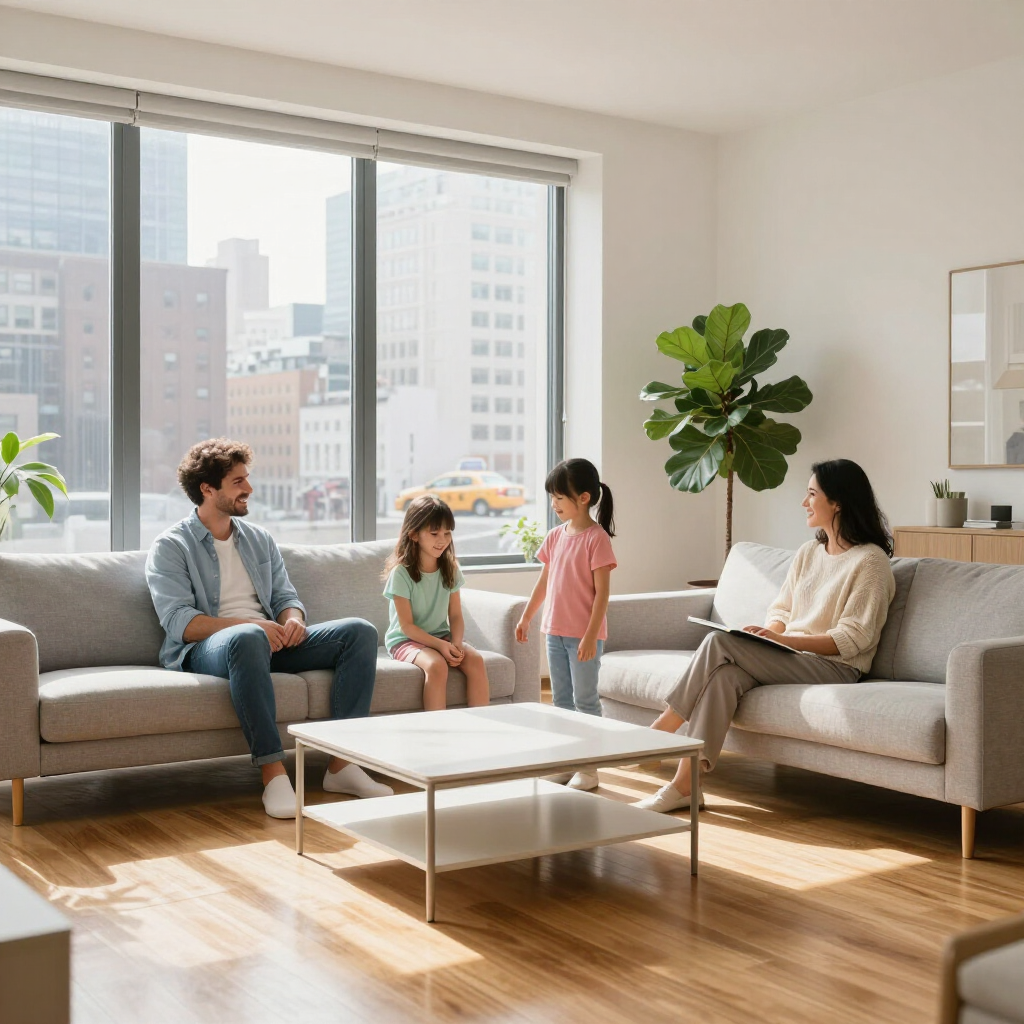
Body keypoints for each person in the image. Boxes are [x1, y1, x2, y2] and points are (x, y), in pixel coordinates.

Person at [146, 438, 392, 819]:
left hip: (267, 644)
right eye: (238, 481)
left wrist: (293, 620)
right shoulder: (171, 546)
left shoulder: (258, 539)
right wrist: (253, 625)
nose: (249, 489)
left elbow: (284, 597)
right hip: (208, 650)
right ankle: (274, 774)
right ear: (207, 490)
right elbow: (182, 623)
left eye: (247, 478)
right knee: (247, 637)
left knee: (358, 631)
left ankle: (343, 766)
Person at [635, 458, 896, 813]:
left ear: (837, 503)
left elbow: (853, 638)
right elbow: (782, 611)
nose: (804, 502)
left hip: (835, 665)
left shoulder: (870, 561)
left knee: (719, 641)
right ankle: (685, 786)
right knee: (724, 676)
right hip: (792, 656)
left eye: (811, 494)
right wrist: (769, 633)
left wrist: (784, 641)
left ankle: (663, 728)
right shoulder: (808, 553)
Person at [515, 458, 617, 791]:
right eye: (552, 497)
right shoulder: (555, 537)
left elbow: (602, 594)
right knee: (560, 702)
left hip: (583, 637)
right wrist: (527, 616)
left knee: (586, 701)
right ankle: (566, 762)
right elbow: (544, 582)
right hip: (554, 633)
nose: (554, 504)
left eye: (560, 497)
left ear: (583, 498)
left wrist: (590, 636)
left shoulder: (597, 538)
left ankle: (588, 768)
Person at [383, 494, 491, 710]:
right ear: (414, 534)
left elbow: (456, 616)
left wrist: (457, 644)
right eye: (434, 533)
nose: (442, 540)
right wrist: (442, 646)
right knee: (436, 665)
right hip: (405, 639)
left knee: (476, 661)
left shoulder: (450, 569)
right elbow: (407, 627)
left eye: (447, 533)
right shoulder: (401, 574)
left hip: (441, 635)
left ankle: (482, 730)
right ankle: (438, 732)